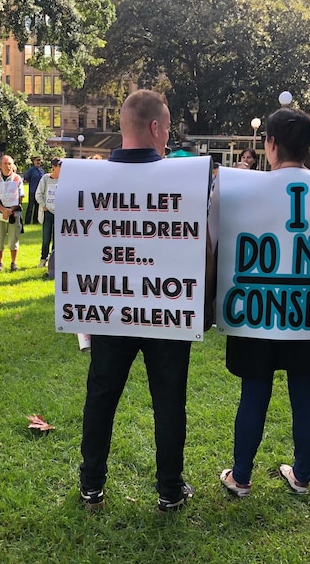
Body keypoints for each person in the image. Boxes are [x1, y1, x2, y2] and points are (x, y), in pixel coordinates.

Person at [79, 90, 197, 514]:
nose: (168, 137)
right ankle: (169, 490)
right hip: (169, 309)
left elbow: (72, 254)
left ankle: (91, 486)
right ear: (154, 128)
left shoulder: (86, 181)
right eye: (167, 129)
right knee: (169, 402)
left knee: (101, 398)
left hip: (110, 311)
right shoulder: (183, 182)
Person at [219, 107, 310, 499]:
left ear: (270, 144)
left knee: (255, 391)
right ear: (309, 147)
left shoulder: (242, 189)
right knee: (306, 392)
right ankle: (301, 476)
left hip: (257, 307)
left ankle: (240, 477)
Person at [0, 155, 24, 271]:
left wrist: (10, 210)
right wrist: (3, 209)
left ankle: (13, 263)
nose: (8, 166)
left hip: (14, 213)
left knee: (14, 239)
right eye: (5, 164)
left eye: (10, 164)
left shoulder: (17, 178)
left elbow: (20, 198)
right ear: (0, 165)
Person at [35, 157, 61, 268]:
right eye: (59, 166)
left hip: (60, 213)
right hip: (48, 212)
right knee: (46, 237)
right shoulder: (46, 178)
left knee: (57, 238)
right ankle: (43, 259)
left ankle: (53, 261)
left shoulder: (65, 179)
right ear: (54, 167)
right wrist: (43, 206)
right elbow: (38, 194)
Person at [23, 156, 45, 225]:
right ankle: (27, 221)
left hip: (40, 192)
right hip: (32, 191)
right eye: (37, 160)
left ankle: (35, 221)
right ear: (34, 161)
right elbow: (26, 179)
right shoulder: (31, 170)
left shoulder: (42, 171)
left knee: (37, 207)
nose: (38, 162)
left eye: (39, 160)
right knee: (30, 207)